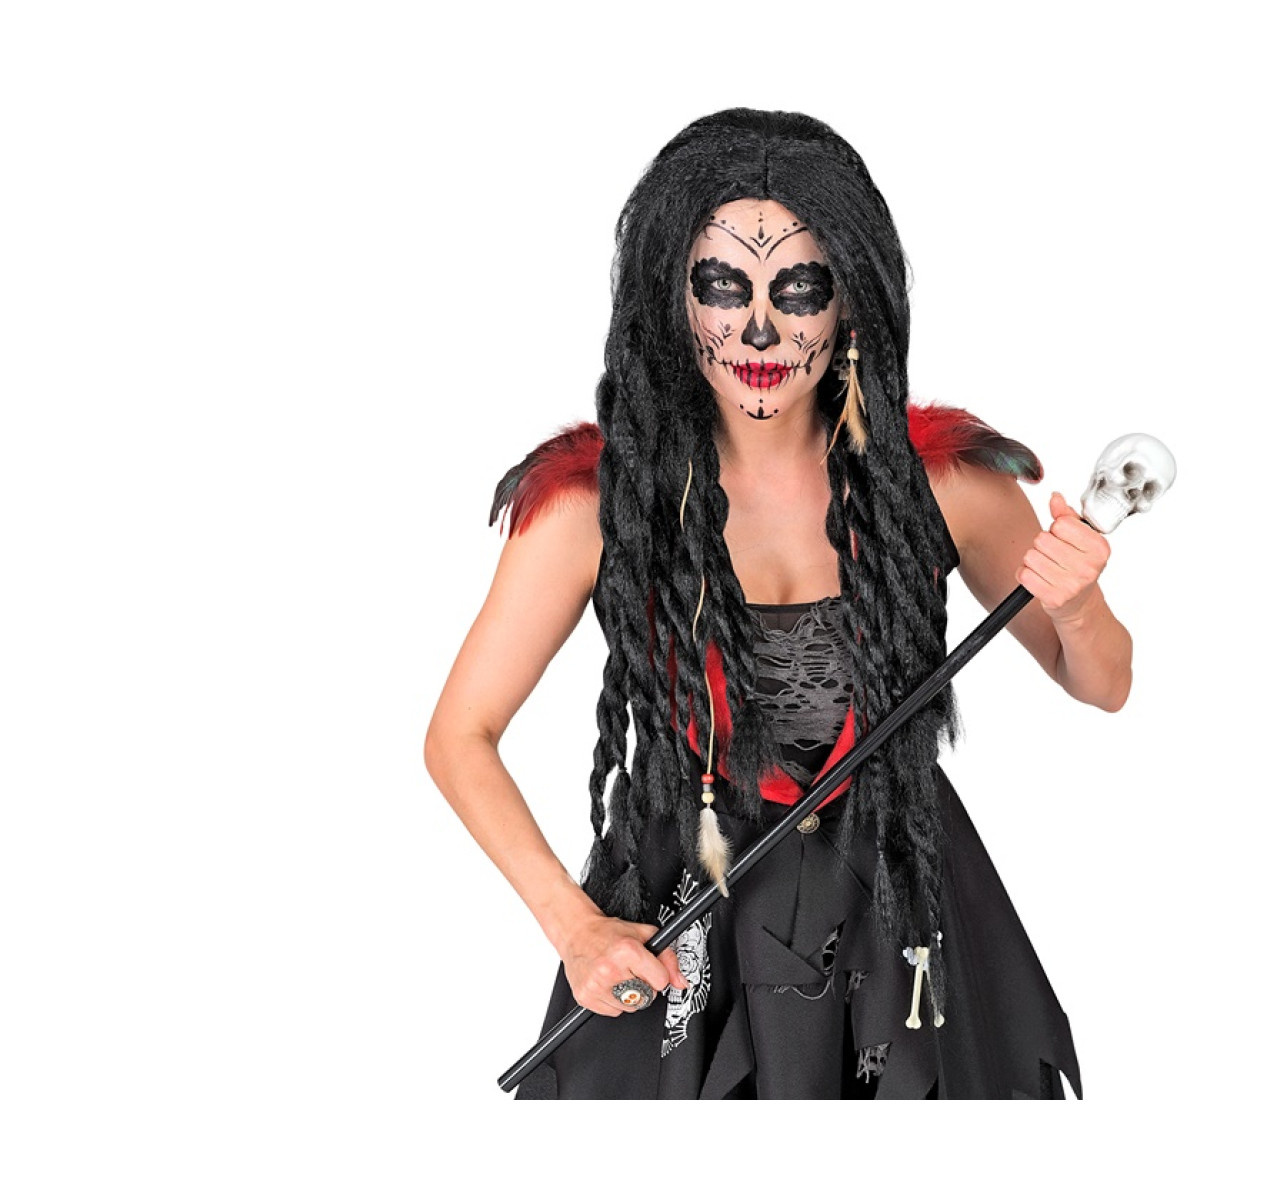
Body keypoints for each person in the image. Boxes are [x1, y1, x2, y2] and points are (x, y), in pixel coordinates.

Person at [424, 108, 1133, 1099]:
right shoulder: (598, 506)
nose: (760, 329)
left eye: (798, 289)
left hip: (901, 915)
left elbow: (1101, 684)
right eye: (724, 286)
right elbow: (459, 736)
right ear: (673, 296)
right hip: (687, 925)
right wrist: (574, 927)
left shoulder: (946, 487)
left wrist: (1078, 604)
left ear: (850, 301)